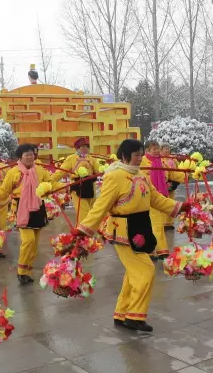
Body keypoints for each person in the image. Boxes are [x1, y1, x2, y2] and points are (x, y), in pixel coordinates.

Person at [74, 139, 188, 332]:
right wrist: (84, 228)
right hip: (123, 230)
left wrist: (178, 207)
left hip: (141, 226)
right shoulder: (115, 176)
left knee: (134, 271)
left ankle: (122, 313)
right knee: (146, 270)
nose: (140, 158)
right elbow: (102, 205)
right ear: (125, 156)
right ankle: (135, 315)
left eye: (141, 154)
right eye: (136, 155)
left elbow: (155, 199)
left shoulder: (142, 175)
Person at [0, 144, 61, 284]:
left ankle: (28, 269)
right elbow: (4, 190)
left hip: (38, 207)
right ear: (20, 157)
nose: (30, 157)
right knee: (28, 241)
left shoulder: (40, 170)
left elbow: (51, 183)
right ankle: (21, 271)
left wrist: (62, 188)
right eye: (26, 154)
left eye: (32, 154)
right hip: (21, 208)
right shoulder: (13, 172)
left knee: (35, 243)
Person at [140, 140, 185, 261]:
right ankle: (157, 249)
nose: (156, 151)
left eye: (157, 148)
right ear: (147, 150)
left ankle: (157, 249)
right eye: (153, 149)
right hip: (145, 196)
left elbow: (173, 175)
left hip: (159, 196)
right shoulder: (142, 161)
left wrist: (188, 173)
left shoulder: (162, 162)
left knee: (155, 223)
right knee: (153, 223)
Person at [50, 138, 99, 224]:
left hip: (90, 187)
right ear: (77, 148)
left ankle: (83, 235)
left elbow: (98, 172)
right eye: (83, 146)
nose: (85, 148)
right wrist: (49, 181)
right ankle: (82, 236)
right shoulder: (72, 158)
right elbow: (61, 172)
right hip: (78, 187)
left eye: (87, 147)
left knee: (91, 214)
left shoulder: (91, 158)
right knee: (83, 215)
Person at [159, 142, 184, 228]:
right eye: (165, 148)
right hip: (163, 182)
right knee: (163, 202)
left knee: (172, 201)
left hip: (172, 182)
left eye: (168, 148)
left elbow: (178, 168)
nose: (167, 150)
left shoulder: (173, 159)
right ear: (161, 150)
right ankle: (162, 222)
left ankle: (169, 222)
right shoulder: (159, 159)